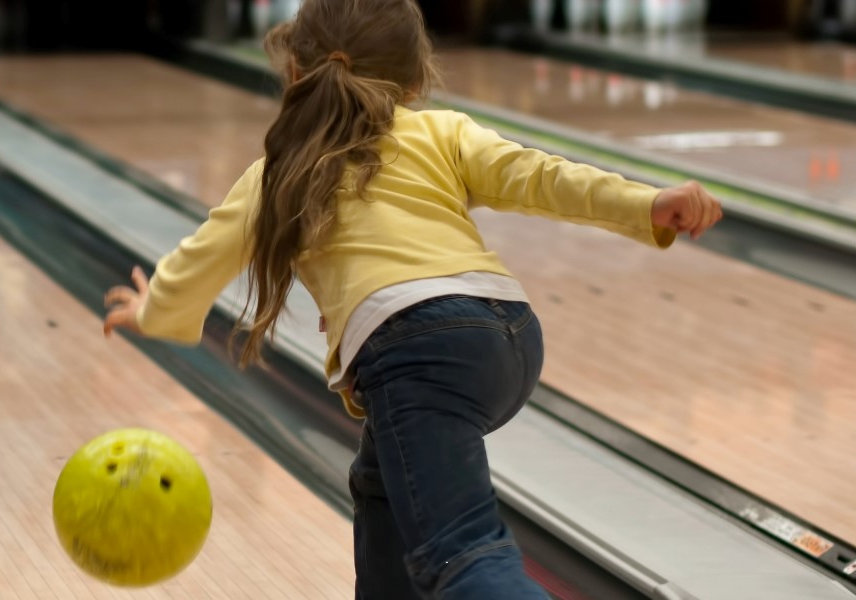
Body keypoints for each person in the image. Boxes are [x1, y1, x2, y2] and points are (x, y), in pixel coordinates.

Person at [99, 0, 723, 598]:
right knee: (384, 491)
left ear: (295, 69)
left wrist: (155, 311)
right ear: (417, 78)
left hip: (416, 351)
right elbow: (540, 177)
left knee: (461, 550)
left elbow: (202, 258)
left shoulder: (280, 168)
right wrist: (645, 205)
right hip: (507, 333)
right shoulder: (443, 131)